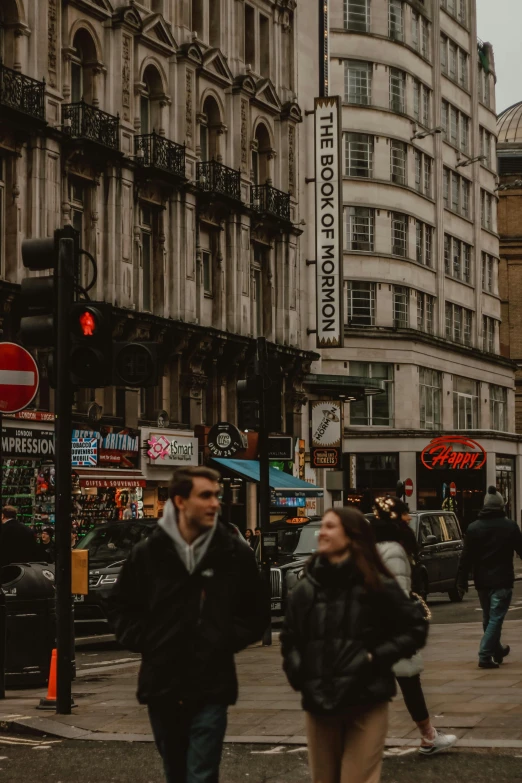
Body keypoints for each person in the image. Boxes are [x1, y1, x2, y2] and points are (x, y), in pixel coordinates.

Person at [109, 466, 269, 783]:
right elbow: (121, 606)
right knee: (175, 772)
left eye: (217, 496)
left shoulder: (232, 551)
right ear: (180, 501)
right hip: (162, 685)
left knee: (201, 773)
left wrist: (221, 639)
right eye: (206, 496)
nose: (215, 504)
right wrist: (147, 640)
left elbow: (256, 611)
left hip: (211, 684)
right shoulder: (149, 552)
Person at [280, 507, 428, 783]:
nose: (322, 532)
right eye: (322, 526)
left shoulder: (376, 584)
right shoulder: (306, 587)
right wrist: (300, 673)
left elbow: (415, 628)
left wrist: (375, 658)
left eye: (330, 526)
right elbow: (290, 640)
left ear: (352, 536)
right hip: (319, 702)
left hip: (366, 700)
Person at [371, 496, 456, 755]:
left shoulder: (371, 545)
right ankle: (429, 737)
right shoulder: (394, 549)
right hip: (391, 628)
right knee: (408, 682)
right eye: (404, 513)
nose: (409, 517)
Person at [457, 485, 522, 669]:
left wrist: (461, 581)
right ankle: (485, 654)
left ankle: (497, 650)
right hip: (502, 579)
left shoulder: (473, 528)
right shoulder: (510, 526)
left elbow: (466, 557)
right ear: (501, 506)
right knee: (496, 618)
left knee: (488, 618)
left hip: (482, 581)